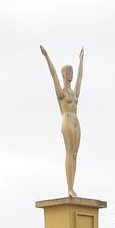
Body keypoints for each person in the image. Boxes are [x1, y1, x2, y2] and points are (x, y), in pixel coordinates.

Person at [40, 45, 85, 197]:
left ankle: (73, 186)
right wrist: (47, 57)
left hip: (76, 120)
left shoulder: (74, 92)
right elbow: (53, 75)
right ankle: (69, 188)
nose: (71, 74)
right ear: (64, 74)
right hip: (66, 119)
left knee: (75, 154)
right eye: (69, 71)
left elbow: (80, 78)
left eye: (72, 71)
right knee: (69, 152)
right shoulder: (62, 92)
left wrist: (81, 60)